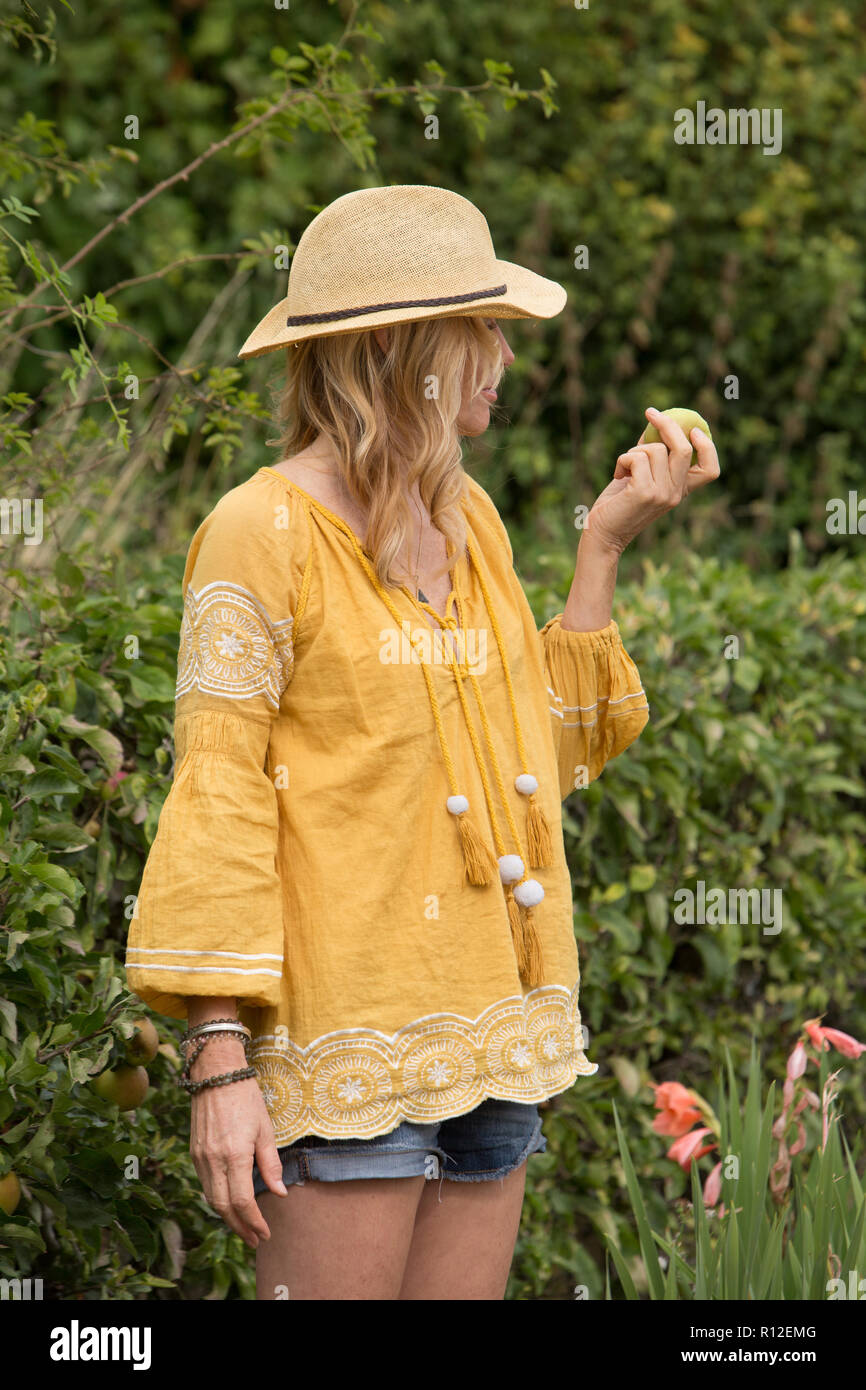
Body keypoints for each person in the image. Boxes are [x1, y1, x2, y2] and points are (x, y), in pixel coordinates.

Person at [125, 184, 719, 1300]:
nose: (503, 354)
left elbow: (535, 759)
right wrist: (218, 1064)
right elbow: (220, 794)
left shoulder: (468, 516)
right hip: (345, 1047)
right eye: (482, 327)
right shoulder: (260, 533)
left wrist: (601, 550)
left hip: (489, 1033)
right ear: (405, 350)